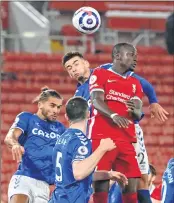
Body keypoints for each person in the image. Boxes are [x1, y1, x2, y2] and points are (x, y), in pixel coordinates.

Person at [62, 49, 169, 203]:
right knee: (101, 181)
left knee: (140, 179)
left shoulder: (105, 70)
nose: (73, 69)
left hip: (127, 131)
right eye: (69, 68)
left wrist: (153, 101)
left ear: (86, 63)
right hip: (102, 137)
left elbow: (140, 81)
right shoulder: (78, 96)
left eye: (75, 63)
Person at [49, 96, 128, 203]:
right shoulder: (81, 141)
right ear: (88, 114)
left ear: (67, 116)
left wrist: (108, 174)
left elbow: (73, 175)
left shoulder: (62, 138)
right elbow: (79, 173)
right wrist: (102, 148)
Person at [4, 87, 66, 203]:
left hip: (44, 186)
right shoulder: (27, 118)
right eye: (52, 105)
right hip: (24, 178)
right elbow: (10, 137)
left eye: (58, 107)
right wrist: (15, 145)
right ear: (40, 104)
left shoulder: (61, 129)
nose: (56, 111)